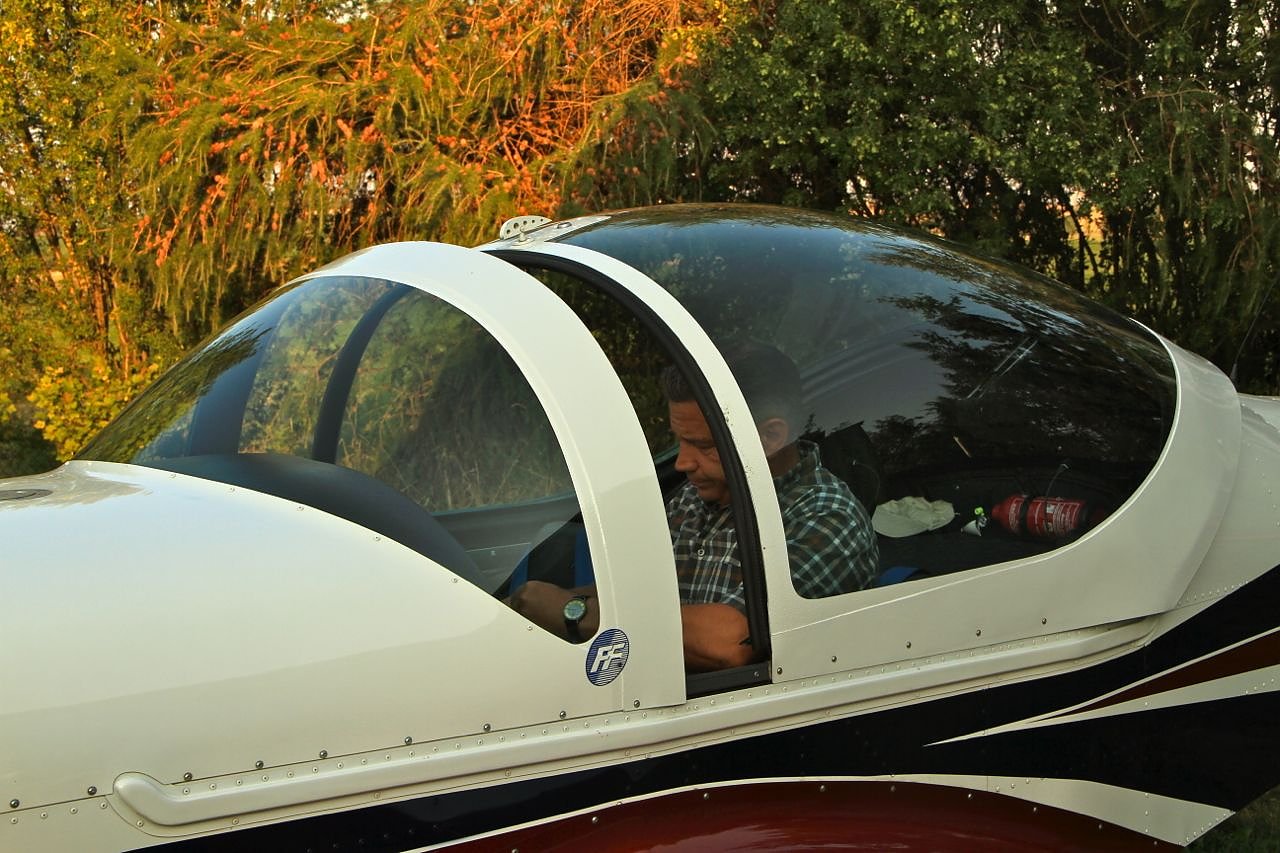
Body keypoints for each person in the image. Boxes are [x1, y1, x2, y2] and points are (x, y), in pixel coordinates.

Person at [507, 342, 879, 671]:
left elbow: (730, 643)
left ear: (769, 437)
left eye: (703, 445)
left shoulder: (827, 518)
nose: (683, 463)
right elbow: (639, 598)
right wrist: (538, 604)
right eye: (680, 442)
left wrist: (574, 612)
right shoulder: (697, 497)